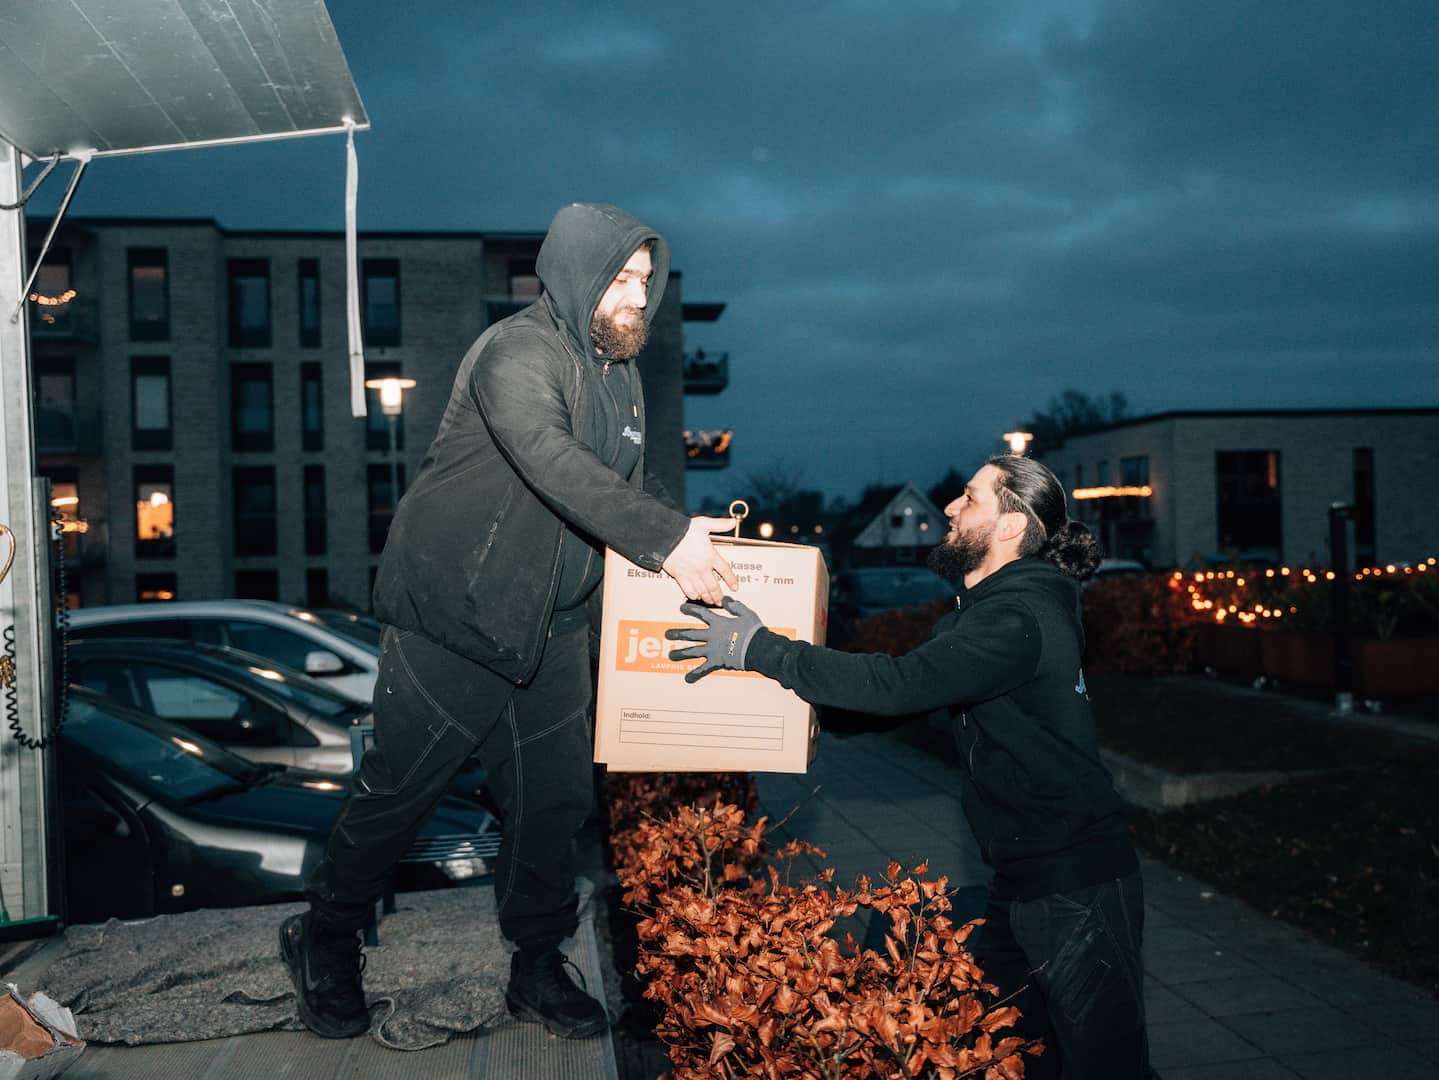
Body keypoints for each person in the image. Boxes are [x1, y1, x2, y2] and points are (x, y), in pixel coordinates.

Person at [281, 203, 738, 1041]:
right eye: (623, 279)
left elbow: (623, 487)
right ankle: (326, 935)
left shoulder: (618, 373)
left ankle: (535, 964)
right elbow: (551, 459)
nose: (640, 297)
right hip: (456, 616)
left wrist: (688, 536)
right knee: (402, 792)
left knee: (552, 805)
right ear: (578, 274)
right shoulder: (517, 353)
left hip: (551, 626)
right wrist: (666, 540)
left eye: (647, 280)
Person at [667, 455, 1152, 1079]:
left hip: (1076, 885)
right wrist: (798, 714)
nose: (950, 507)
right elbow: (911, 699)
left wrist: (760, 648)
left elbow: (900, 684)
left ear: (1010, 526)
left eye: (969, 498)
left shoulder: (1017, 616)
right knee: (1015, 1057)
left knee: (1108, 1067)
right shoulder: (995, 611)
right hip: (1024, 880)